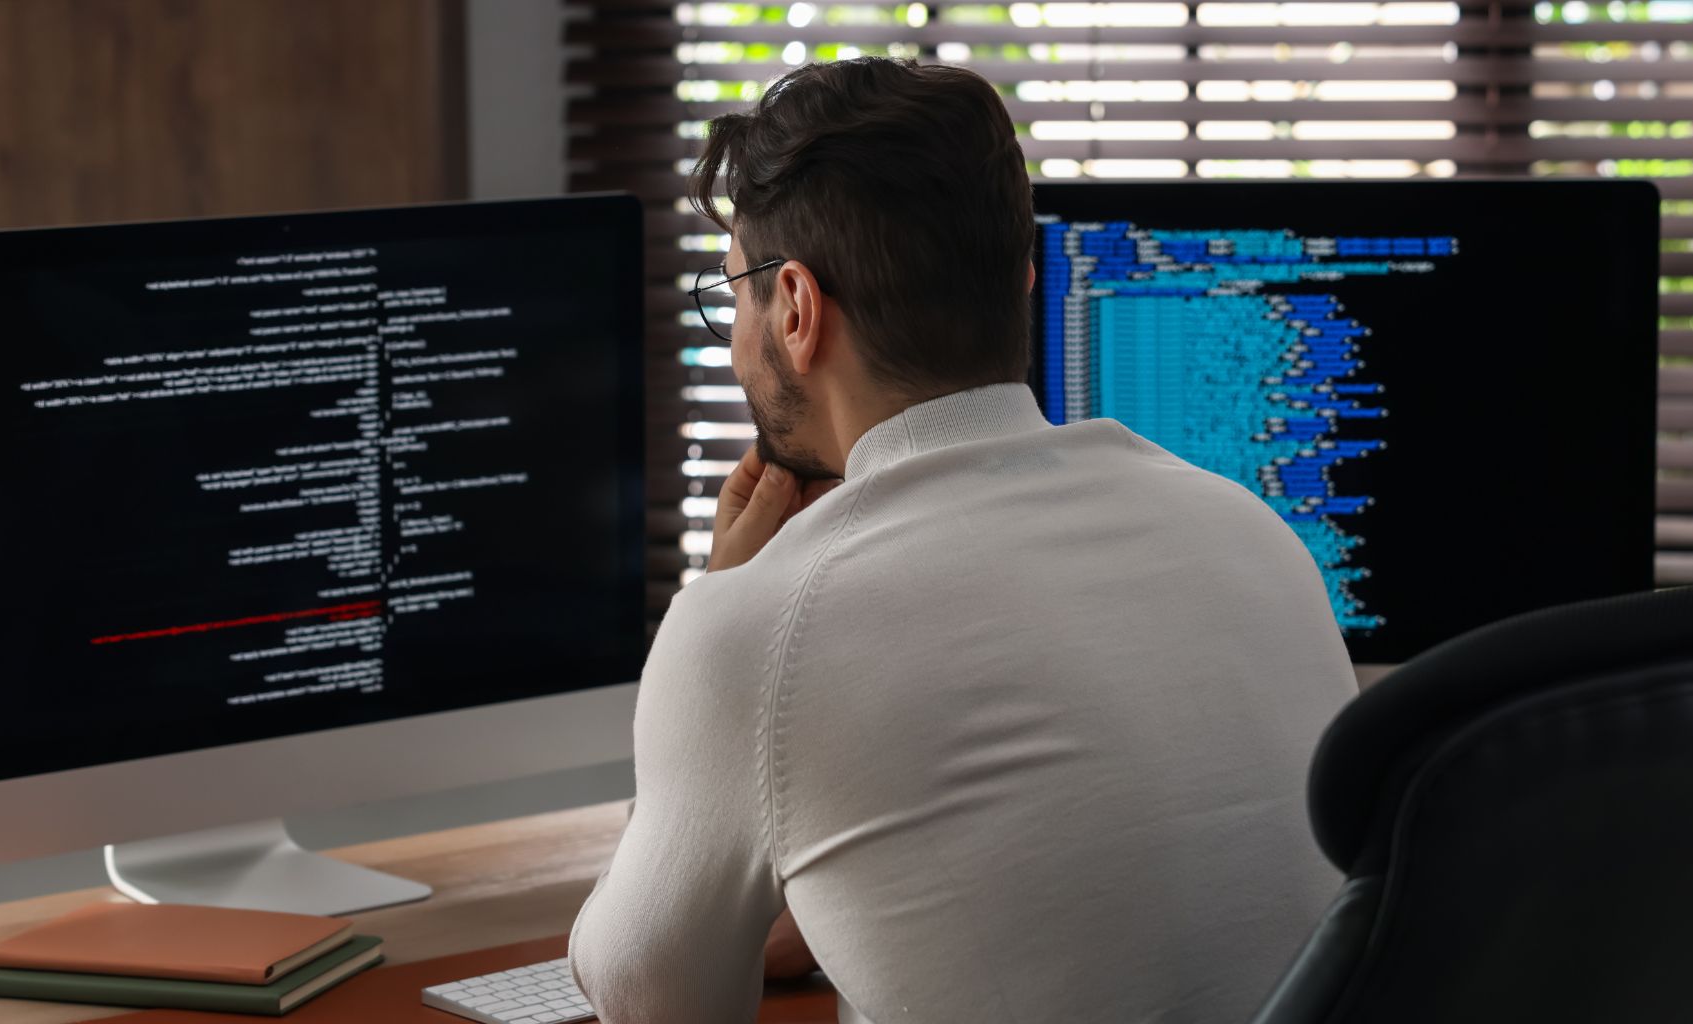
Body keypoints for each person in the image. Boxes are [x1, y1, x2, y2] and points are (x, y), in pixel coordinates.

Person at [568, 57, 1356, 1024]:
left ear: (800, 311)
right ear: (1021, 278)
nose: (735, 339)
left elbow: (648, 997)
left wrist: (719, 603)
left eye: (734, 293)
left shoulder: (756, 627)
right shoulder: (1251, 530)